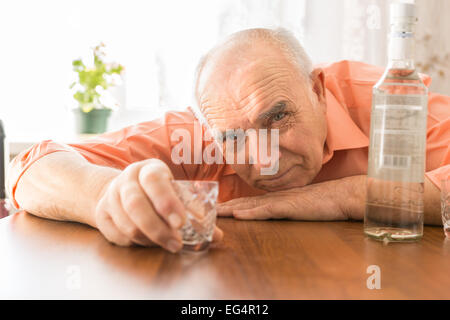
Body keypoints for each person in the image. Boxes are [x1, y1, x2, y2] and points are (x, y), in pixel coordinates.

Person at [8, 28, 450, 253]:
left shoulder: (393, 102)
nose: (265, 160)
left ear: (317, 90)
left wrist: (347, 197)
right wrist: (105, 195)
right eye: (234, 139)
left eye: (277, 117)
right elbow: (34, 166)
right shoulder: (200, 129)